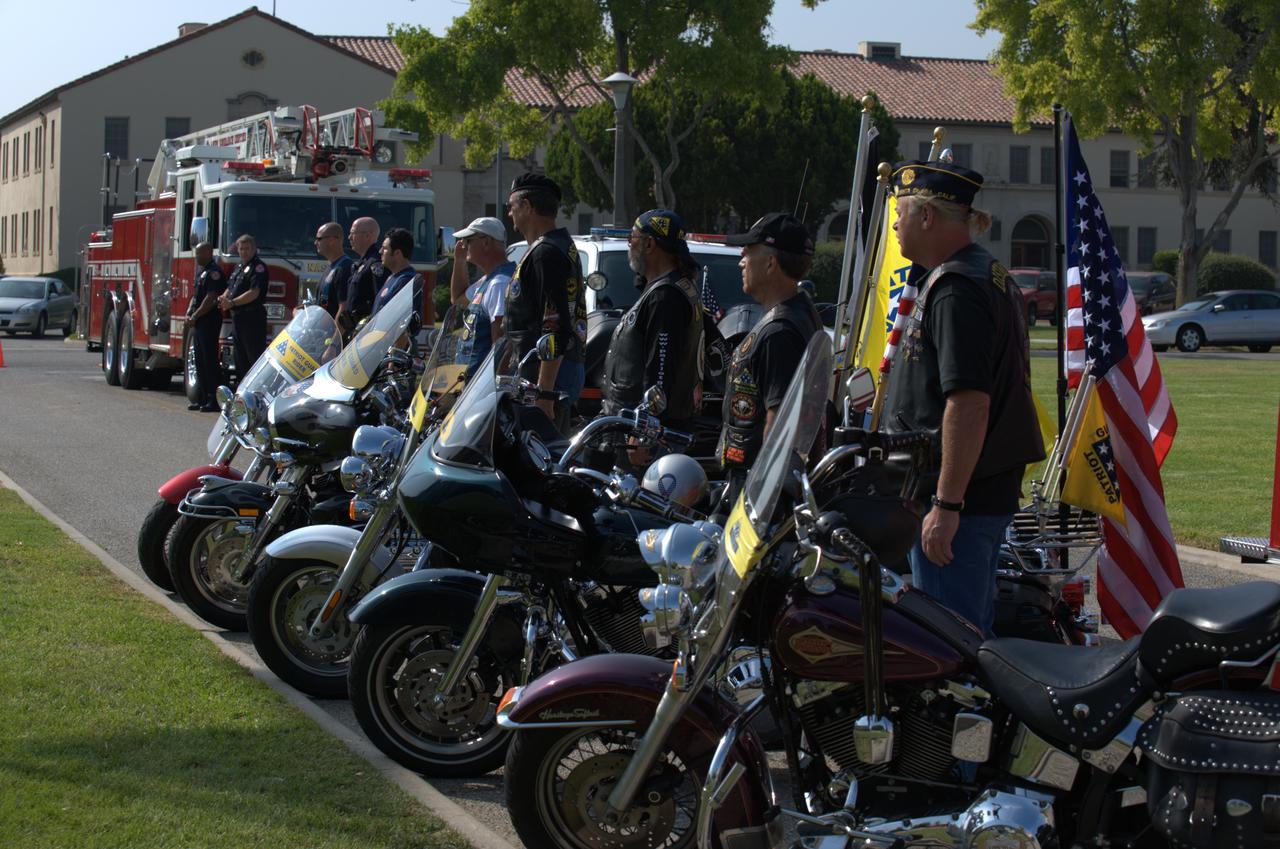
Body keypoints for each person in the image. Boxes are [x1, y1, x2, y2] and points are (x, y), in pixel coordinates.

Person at [883, 159, 1045, 635]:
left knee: (951, 642)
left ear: (927, 217)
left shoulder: (956, 287)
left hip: (959, 501)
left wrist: (947, 506)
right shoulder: (979, 273)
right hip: (963, 493)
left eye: (901, 212)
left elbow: (970, 404)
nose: (895, 224)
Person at [718, 213, 823, 499]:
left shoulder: (780, 332)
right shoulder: (799, 312)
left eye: (748, 251)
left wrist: (763, 494)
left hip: (759, 488)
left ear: (770, 263)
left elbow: (780, 424)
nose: (741, 260)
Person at [601, 208, 702, 431]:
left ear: (649, 244)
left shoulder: (665, 296)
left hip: (643, 432)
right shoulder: (673, 288)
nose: (630, 246)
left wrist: (643, 434)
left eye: (632, 238)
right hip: (632, 422)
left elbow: (660, 370)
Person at [504, 173, 587, 427]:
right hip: (543, 376)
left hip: (545, 381)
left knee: (539, 458)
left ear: (527, 206)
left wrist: (544, 395)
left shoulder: (546, 253)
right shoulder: (556, 246)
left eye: (512, 206)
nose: (509, 213)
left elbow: (553, 326)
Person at [450, 216, 514, 373]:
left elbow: (500, 343)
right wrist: (459, 261)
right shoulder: (489, 279)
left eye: (469, 240)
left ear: (486, 242)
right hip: (471, 385)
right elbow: (458, 299)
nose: (463, 245)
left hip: (481, 387)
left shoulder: (499, 283)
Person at [219, 234, 269, 382]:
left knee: (253, 358)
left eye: (247, 248)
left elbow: (254, 292)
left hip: (252, 319)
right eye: (241, 249)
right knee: (239, 359)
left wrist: (232, 303)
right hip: (238, 320)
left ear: (254, 249)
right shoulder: (239, 267)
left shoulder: (258, 268)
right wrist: (223, 298)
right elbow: (231, 287)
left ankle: (254, 395)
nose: (244, 252)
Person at [187, 241, 226, 411]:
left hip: (208, 321)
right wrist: (189, 313)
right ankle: (202, 398)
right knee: (199, 360)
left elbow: (210, 299)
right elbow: (196, 297)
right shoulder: (202, 272)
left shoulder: (214, 273)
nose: (196, 257)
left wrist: (195, 315)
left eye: (199, 254)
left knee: (210, 361)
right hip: (199, 321)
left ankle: (212, 398)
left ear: (209, 253)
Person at [339, 216, 388, 337]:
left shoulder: (375, 263)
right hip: (354, 331)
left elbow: (381, 301)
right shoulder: (362, 263)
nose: (349, 237)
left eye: (353, 233)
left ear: (368, 235)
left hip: (366, 333)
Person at [371, 227, 420, 316]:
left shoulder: (406, 281)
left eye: (385, 248)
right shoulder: (393, 278)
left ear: (397, 253)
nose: (380, 251)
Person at [313, 221, 353, 318]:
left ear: (332, 240)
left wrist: (336, 333)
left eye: (319, 239)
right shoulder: (331, 267)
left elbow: (344, 307)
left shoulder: (345, 268)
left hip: (333, 332)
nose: (315, 243)